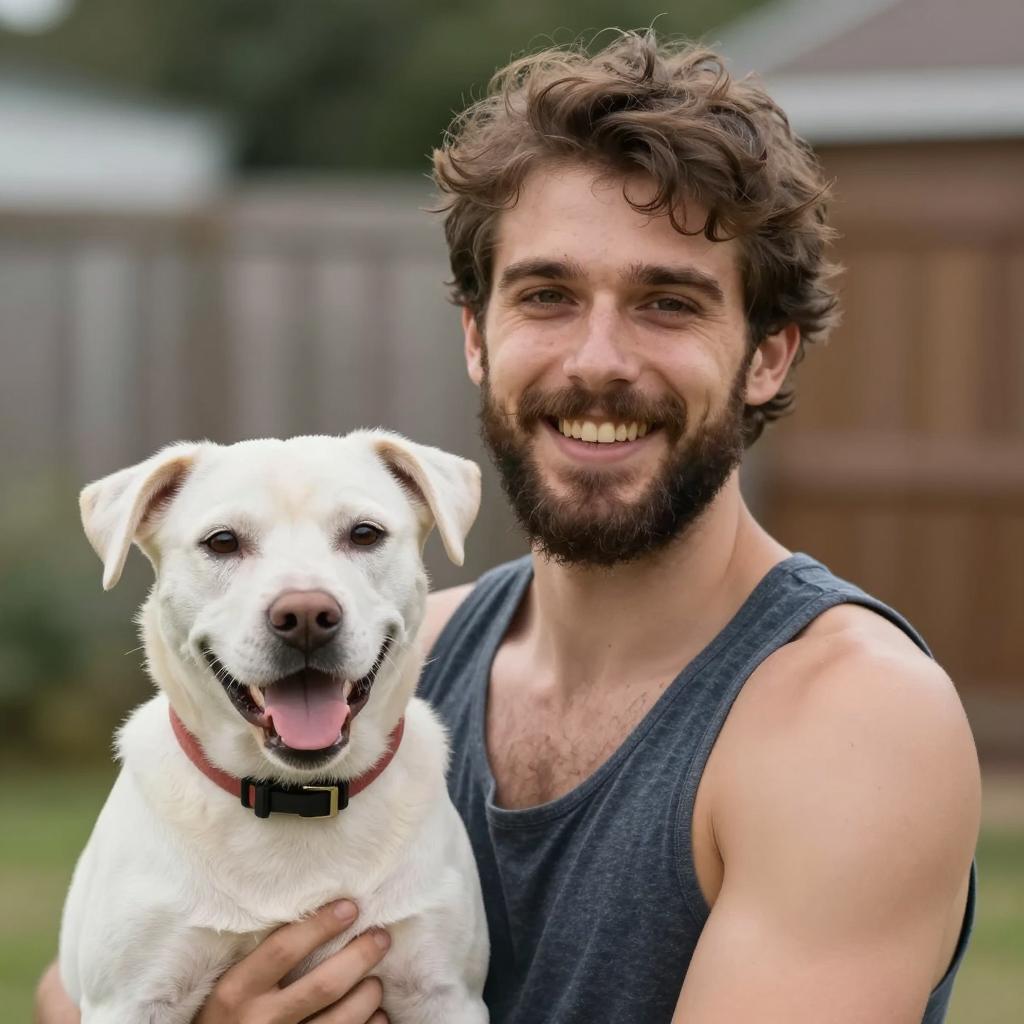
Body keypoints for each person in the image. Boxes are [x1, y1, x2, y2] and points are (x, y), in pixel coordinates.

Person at [36, 30, 978, 1024]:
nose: (599, 360)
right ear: (478, 338)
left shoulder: (851, 722)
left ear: (766, 357)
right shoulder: (401, 660)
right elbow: (72, 993)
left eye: (667, 302)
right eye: (547, 296)